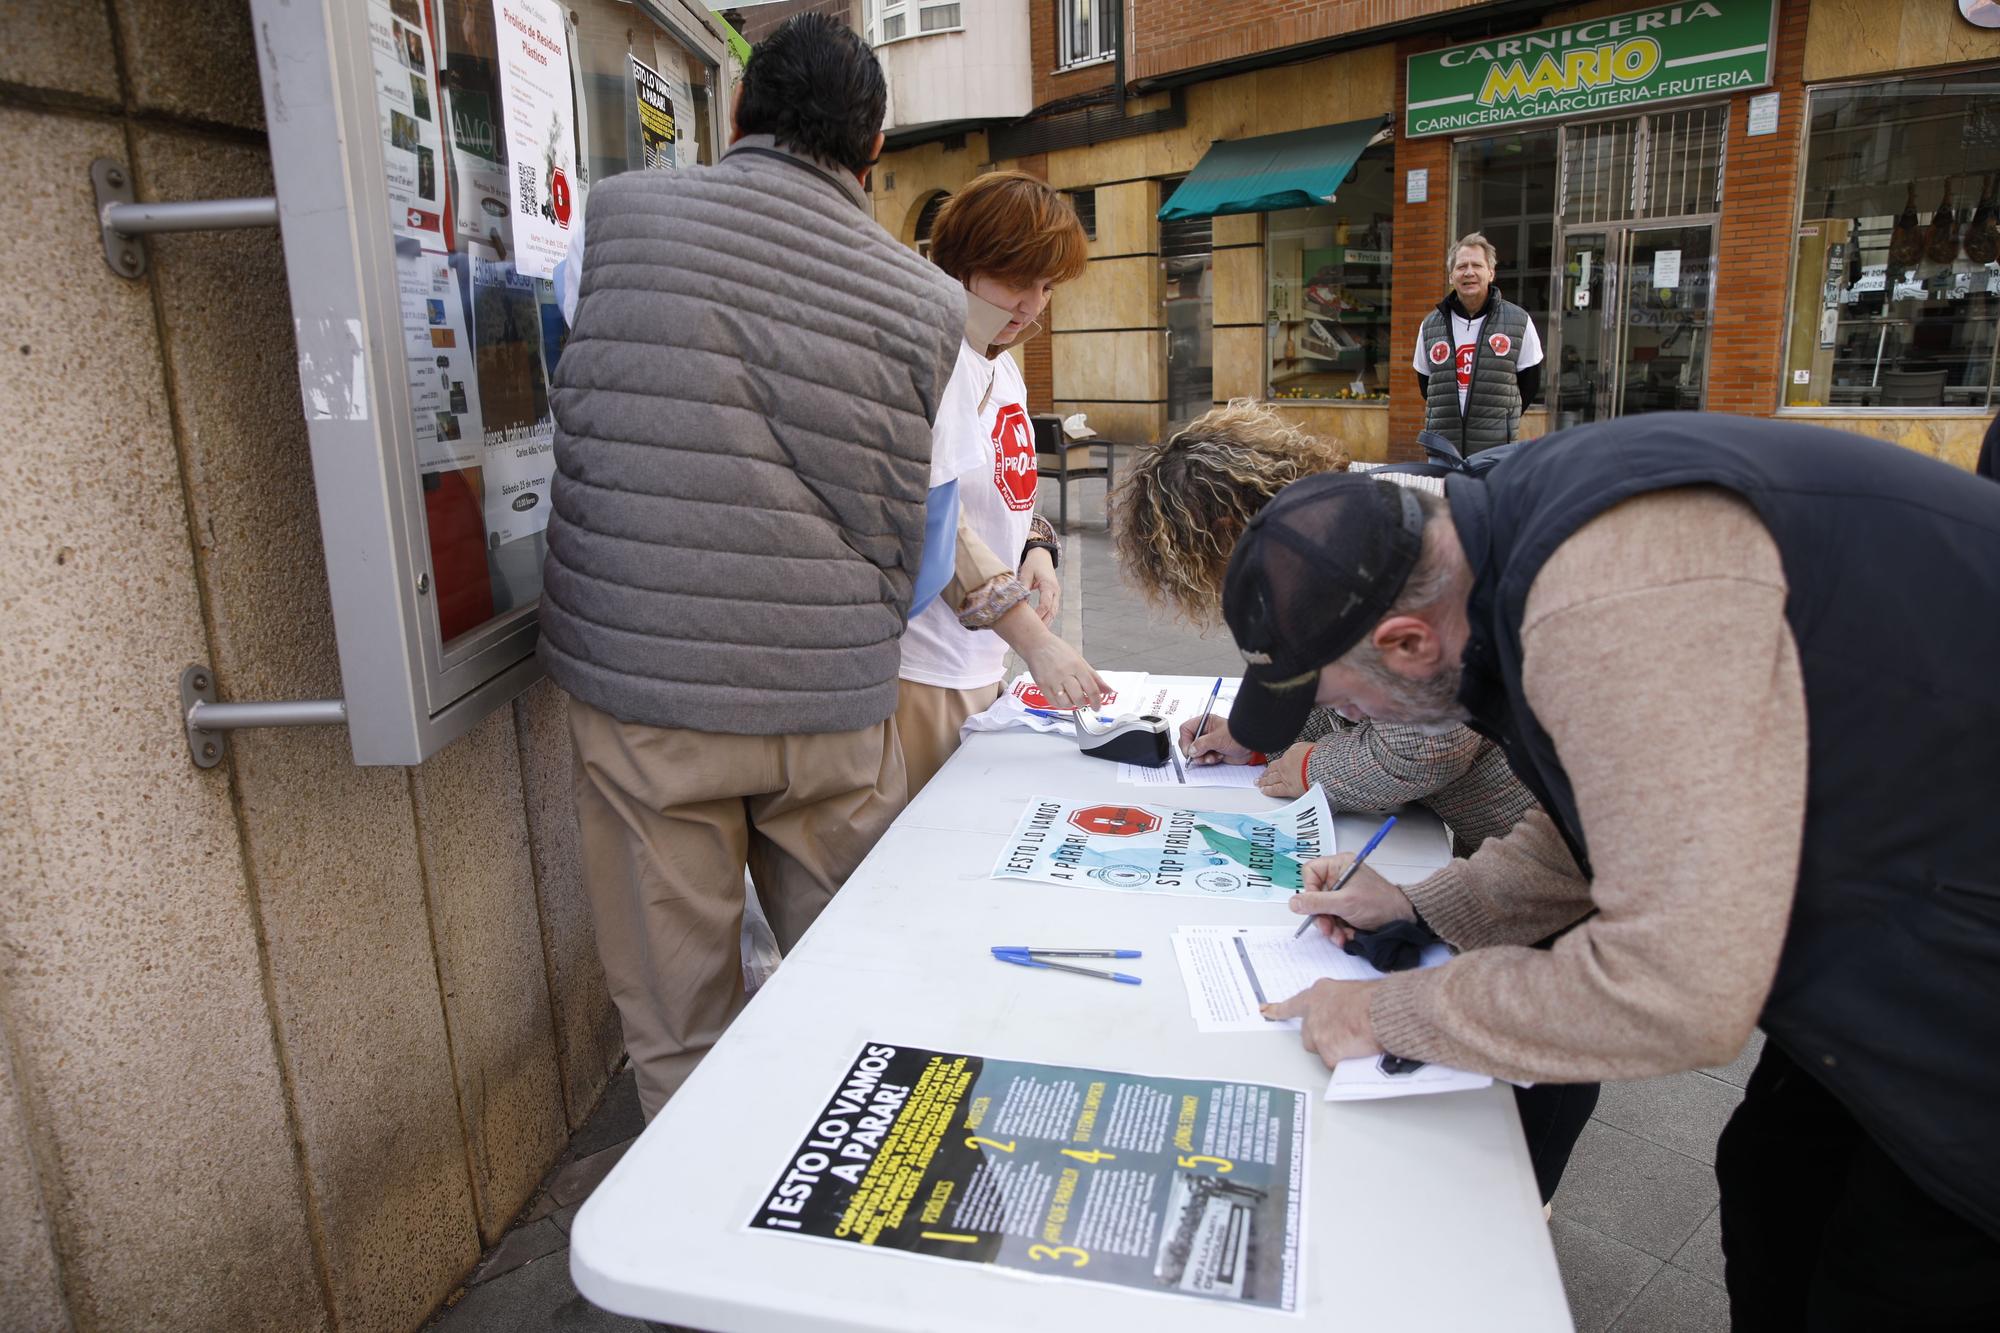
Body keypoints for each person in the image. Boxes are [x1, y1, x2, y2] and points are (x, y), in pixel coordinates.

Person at [1219, 413, 2000, 1324]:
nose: (1343, 718)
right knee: (1776, 1188)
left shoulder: (1606, 602)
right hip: (1900, 885)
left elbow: (1678, 989)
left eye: (1337, 699)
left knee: (1890, 1272)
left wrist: (1387, 1011)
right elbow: (1605, 821)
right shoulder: (1507, 545)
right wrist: (1426, 903)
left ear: (1405, 642)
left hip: (1961, 959)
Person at [538, 15, 964, 1119]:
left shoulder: (618, 218)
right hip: (831, 705)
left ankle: (699, 1266)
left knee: (679, 1028)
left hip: (649, 694)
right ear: (871, 152)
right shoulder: (927, 303)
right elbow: (924, 522)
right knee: (859, 1003)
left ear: (735, 113)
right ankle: (848, 1252)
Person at [1112, 400, 1592, 1207]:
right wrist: (1420, 900)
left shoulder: (1477, 588)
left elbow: (1657, 975)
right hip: (1532, 842)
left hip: (1539, 837)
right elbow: (1571, 848)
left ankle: (1524, 1200)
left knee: (1548, 1054)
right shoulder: (1361, 552)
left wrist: (1403, 1012)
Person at [895, 172, 1110, 793]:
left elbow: (1002, 488)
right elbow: (938, 520)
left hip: (983, 660)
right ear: (963, 266)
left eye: (1045, 287)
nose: (1032, 304)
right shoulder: (938, 359)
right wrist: (1039, 642)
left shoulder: (1002, 362)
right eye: (1017, 282)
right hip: (927, 668)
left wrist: (1036, 545)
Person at [1413, 232, 1542, 455]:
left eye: (1477, 265)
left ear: (1491, 273)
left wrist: (1500, 420)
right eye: (1461, 266)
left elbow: (1530, 382)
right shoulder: (1430, 325)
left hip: (1495, 452)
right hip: (1444, 451)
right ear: (1451, 276)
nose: (1469, 272)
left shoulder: (1519, 321)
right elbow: (1427, 385)